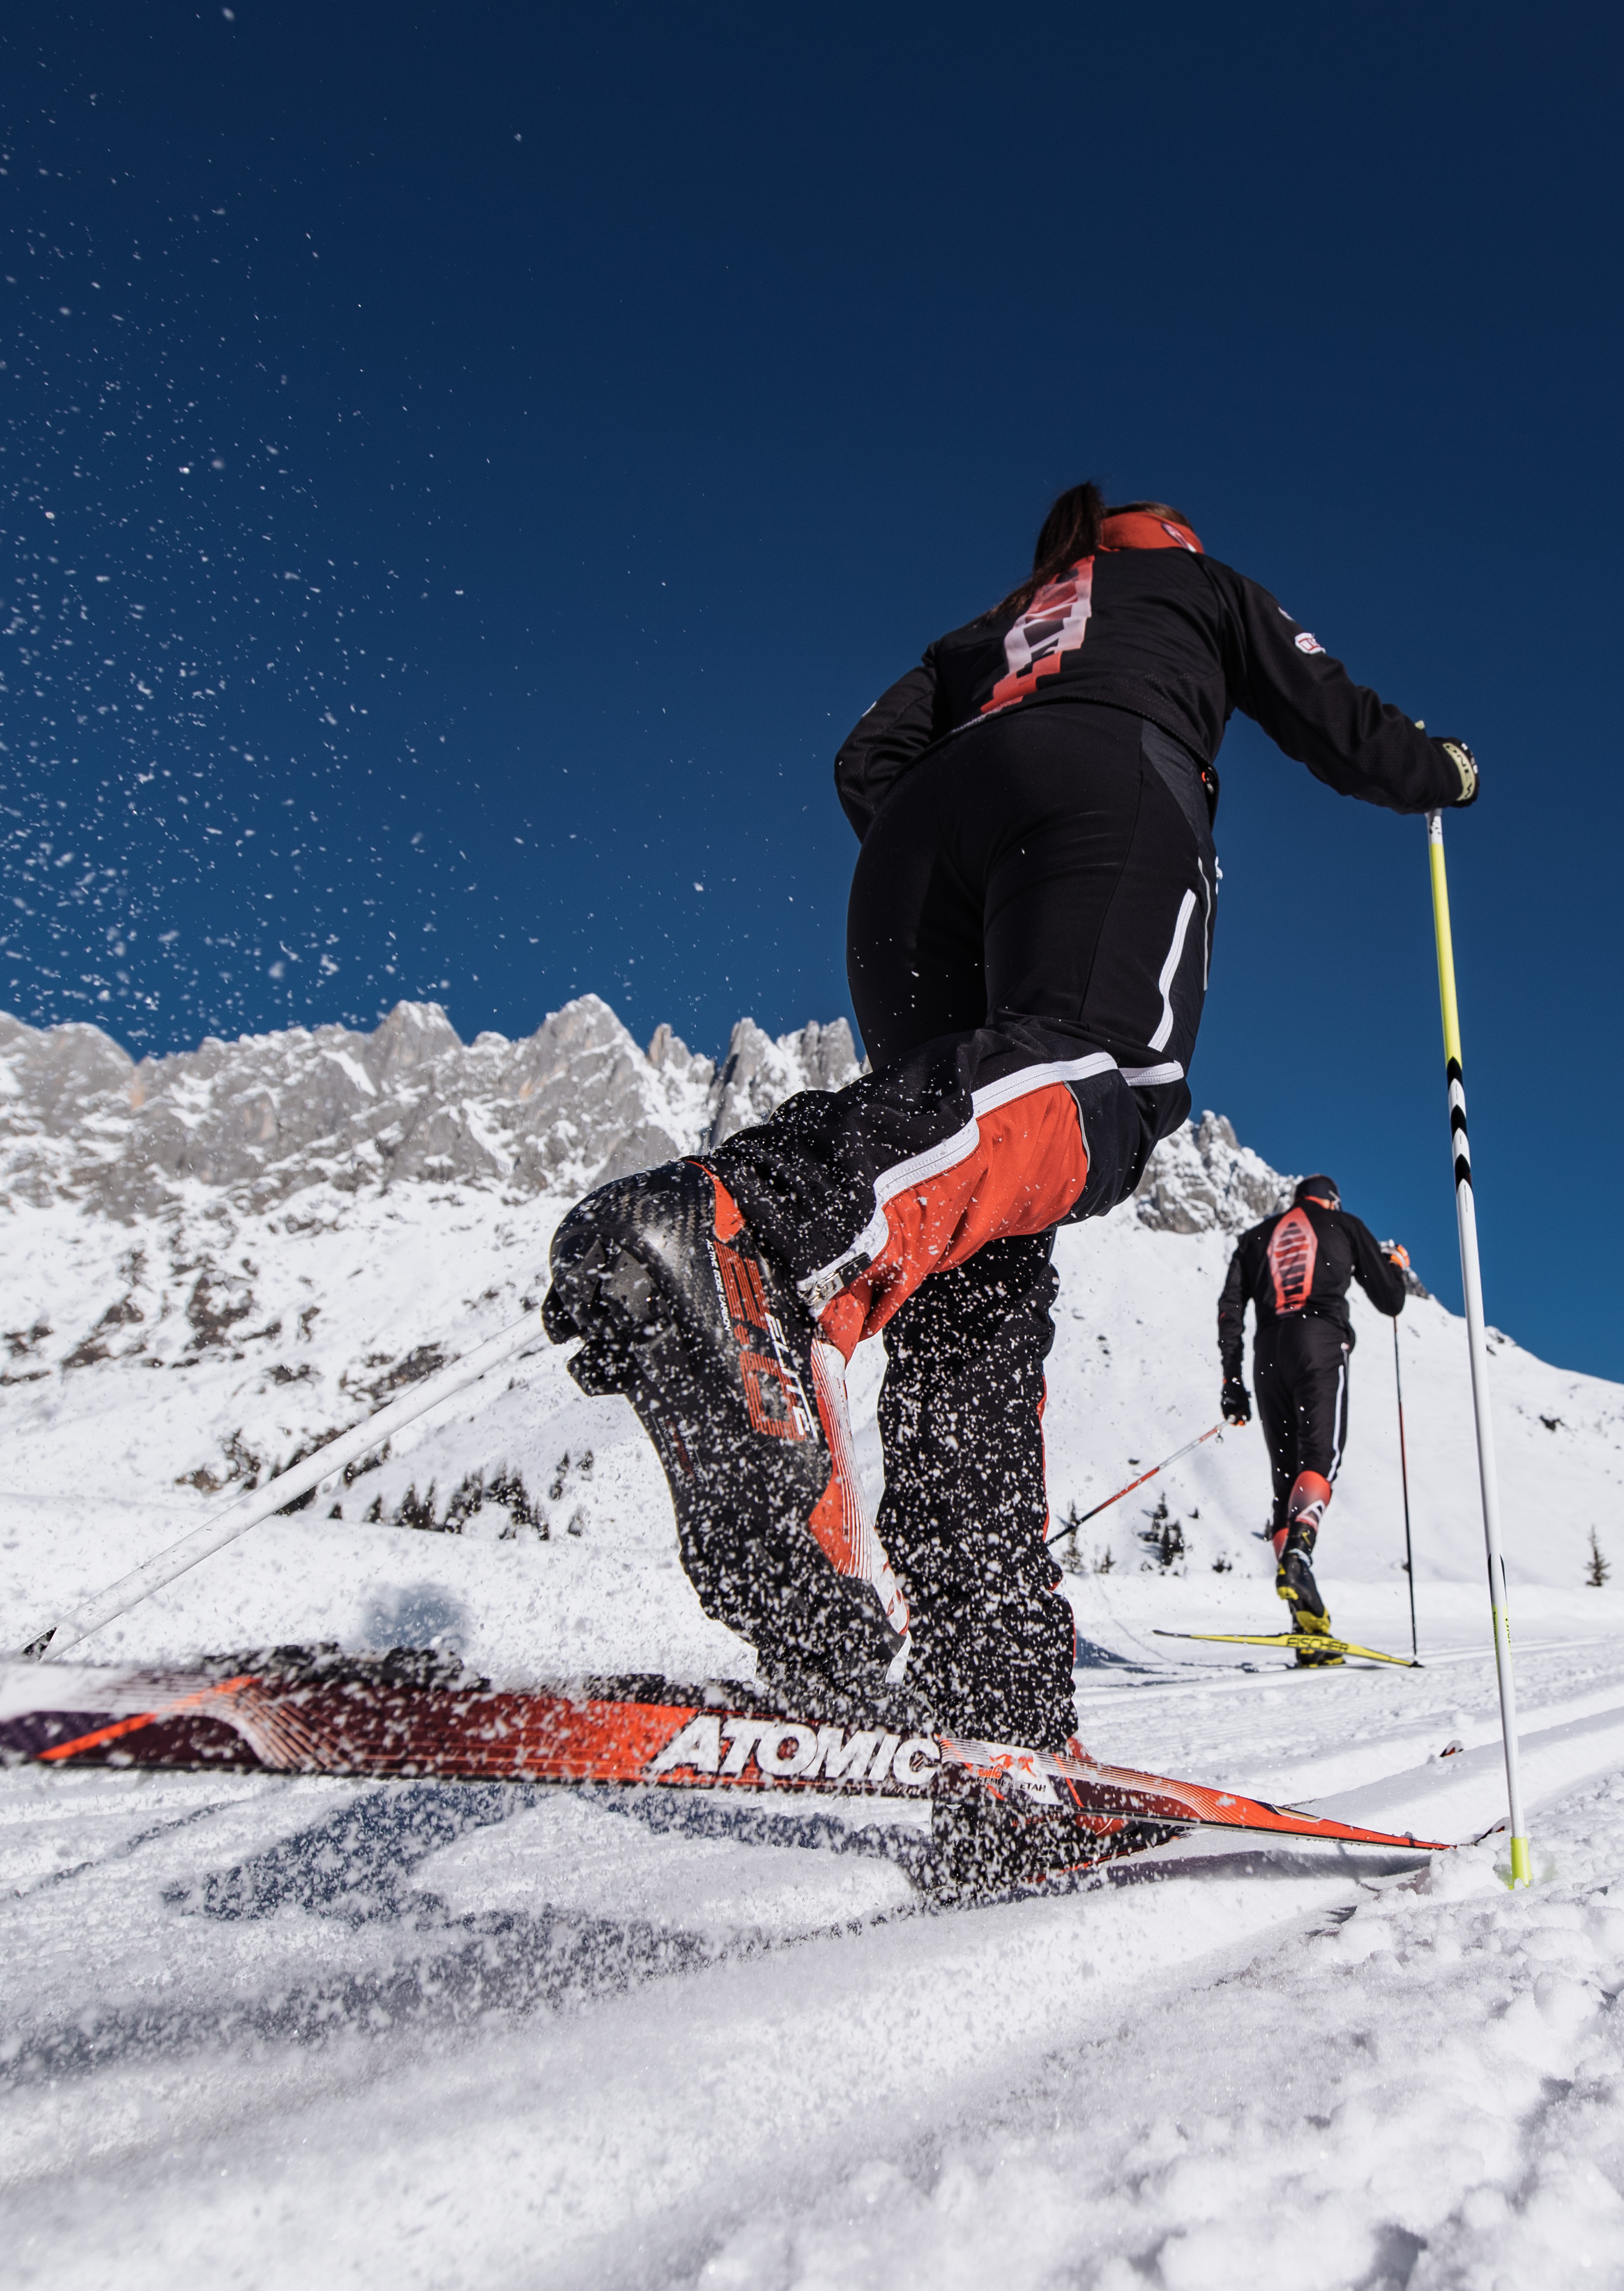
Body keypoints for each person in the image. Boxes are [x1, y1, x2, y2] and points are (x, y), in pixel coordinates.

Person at [541, 483, 1476, 1886]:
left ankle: (1004, 1737)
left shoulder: (990, 626)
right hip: (1101, 789)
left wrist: (955, 840)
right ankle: (750, 1232)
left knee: (971, 1236)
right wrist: (1443, 773)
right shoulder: (1199, 588)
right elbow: (1334, 718)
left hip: (910, 856)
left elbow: (867, 758)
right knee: (1107, 1080)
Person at [1217, 1175, 1413, 1661]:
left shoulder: (1254, 1238)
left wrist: (1231, 1382)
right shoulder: (1345, 1225)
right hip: (1319, 1341)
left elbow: (1230, 1309)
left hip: (1268, 1353)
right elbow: (1390, 1300)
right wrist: (1395, 1266)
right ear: (1332, 1202)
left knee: (1285, 1485)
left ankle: (1307, 1623)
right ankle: (1300, 1557)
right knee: (1320, 1460)